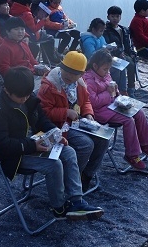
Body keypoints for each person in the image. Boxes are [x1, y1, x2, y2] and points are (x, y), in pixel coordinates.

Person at [0, 66, 103, 220]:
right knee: (54, 164)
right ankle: (59, 208)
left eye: (27, 95)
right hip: (12, 156)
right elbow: (1, 145)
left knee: (69, 151)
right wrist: (33, 146)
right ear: (7, 90)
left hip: (32, 143)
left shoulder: (28, 98)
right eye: (21, 97)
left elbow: (41, 119)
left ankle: (76, 201)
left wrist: (55, 133)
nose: (25, 99)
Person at [37, 51, 108, 191]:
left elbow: (86, 101)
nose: (69, 76)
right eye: (67, 71)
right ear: (61, 68)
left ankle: (86, 175)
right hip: (57, 127)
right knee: (86, 144)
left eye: (74, 73)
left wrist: (88, 114)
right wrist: (65, 112)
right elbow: (43, 113)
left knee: (103, 140)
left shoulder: (79, 84)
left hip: (74, 123)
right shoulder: (50, 86)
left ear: (81, 74)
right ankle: (71, 179)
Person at [83, 49, 148, 170]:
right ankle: (131, 154)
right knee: (128, 120)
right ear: (95, 66)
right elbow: (93, 102)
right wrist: (109, 93)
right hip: (99, 112)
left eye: (108, 69)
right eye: (105, 69)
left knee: (139, 113)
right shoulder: (88, 80)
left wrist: (116, 92)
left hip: (111, 105)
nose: (107, 72)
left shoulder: (105, 73)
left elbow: (112, 87)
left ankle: (145, 144)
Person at [9, 0, 59, 64]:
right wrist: (43, 20)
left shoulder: (13, 10)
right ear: (27, 4)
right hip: (31, 35)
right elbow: (34, 29)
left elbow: (27, 24)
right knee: (50, 38)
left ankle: (46, 60)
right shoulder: (27, 14)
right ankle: (51, 59)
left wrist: (34, 19)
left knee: (44, 35)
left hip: (20, 34)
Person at [104, 5, 137, 97]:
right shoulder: (106, 30)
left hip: (124, 53)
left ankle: (131, 88)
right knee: (128, 64)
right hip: (113, 54)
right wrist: (118, 52)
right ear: (108, 17)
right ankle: (119, 89)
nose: (115, 18)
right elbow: (108, 44)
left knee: (131, 63)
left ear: (120, 17)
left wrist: (132, 53)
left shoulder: (124, 29)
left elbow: (129, 43)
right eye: (112, 16)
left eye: (117, 16)